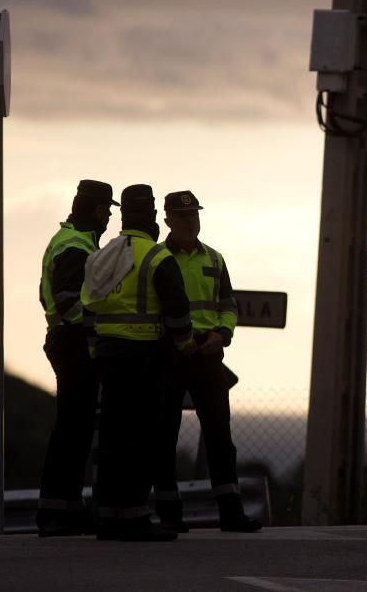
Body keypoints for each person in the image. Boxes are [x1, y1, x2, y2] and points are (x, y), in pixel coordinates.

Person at [81, 184, 196, 541]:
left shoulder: (104, 255)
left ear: (123, 215)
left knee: (113, 440)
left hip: (109, 358)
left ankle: (110, 517)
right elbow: (177, 311)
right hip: (146, 358)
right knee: (142, 440)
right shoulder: (157, 257)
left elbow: (87, 306)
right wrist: (184, 344)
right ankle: (134, 518)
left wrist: (95, 349)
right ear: (151, 217)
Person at [151, 190, 261, 533]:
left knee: (220, 436)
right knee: (164, 435)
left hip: (208, 355)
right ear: (167, 219)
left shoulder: (214, 259)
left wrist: (221, 335)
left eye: (194, 215)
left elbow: (228, 305)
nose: (189, 221)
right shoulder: (156, 259)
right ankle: (170, 515)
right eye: (182, 216)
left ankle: (230, 512)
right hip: (170, 354)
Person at [35, 180, 117, 537]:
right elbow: (69, 301)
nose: (111, 215)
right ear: (98, 210)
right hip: (75, 343)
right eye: (108, 209)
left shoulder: (70, 240)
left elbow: (49, 296)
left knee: (77, 429)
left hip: (67, 340)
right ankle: (55, 512)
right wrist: (100, 323)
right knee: (72, 430)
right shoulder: (76, 246)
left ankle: (66, 508)